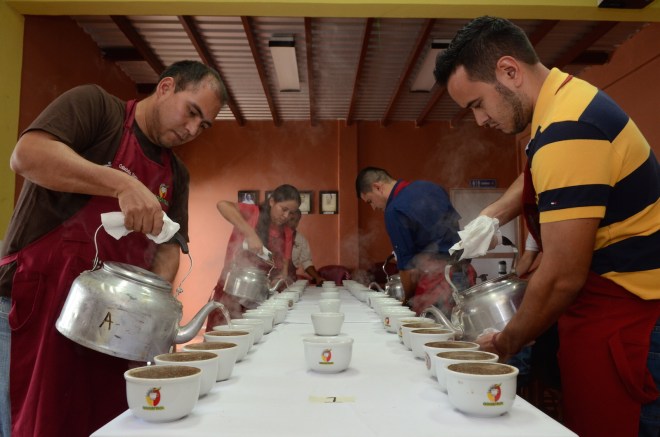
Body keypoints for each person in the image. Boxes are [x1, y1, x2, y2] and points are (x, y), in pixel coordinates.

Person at [435, 16, 660, 437]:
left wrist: (505, 342)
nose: (480, 121)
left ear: (508, 71)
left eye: (477, 104)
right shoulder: (563, 104)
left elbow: (560, 276)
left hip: (633, 322)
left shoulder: (568, 129)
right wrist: (494, 214)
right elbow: (539, 174)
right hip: (609, 311)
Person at [0, 60, 226, 437]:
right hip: (31, 306)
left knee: (104, 423)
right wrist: (120, 184)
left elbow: (169, 248)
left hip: (112, 326)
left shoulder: (176, 174)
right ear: (166, 87)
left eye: (203, 126)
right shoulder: (97, 109)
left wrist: (155, 306)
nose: (191, 130)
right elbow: (27, 155)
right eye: (191, 113)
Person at [355, 167, 475, 316]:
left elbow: (408, 269)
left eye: (370, 201)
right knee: (461, 328)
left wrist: (407, 301)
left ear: (377, 187)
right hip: (463, 274)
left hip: (438, 284)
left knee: (435, 333)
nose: (374, 207)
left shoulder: (394, 210)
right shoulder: (431, 187)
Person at [206, 184, 301, 329]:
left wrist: (280, 278)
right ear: (272, 201)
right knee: (220, 339)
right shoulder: (253, 213)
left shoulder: (287, 232)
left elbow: (284, 271)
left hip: (258, 299)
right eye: (284, 209)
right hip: (231, 291)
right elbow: (222, 205)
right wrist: (250, 234)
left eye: (291, 213)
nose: (286, 216)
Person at [287, 209, 324, 285]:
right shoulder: (275, 237)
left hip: (290, 280)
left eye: (297, 221)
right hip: (273, 279)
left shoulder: (301, 240)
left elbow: (306, 261)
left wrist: (317, 277)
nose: (294, 223)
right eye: (291, 219)